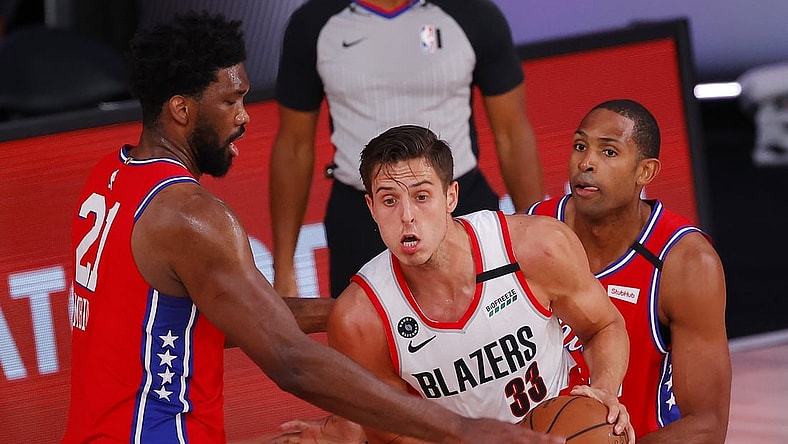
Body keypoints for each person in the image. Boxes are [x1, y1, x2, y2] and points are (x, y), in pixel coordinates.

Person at [62, 12, 563, 444]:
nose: (244, 117)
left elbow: (221, 316)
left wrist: (363, 310)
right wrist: (464, 430)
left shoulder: (111, 174)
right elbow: (290, 360)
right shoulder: (191, 217)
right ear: (181, 109)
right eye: (231, 101)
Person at [274, 125, 634, 444]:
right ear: (370, 208)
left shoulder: (535, 247)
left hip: (564, 428)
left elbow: (604, 326)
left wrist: (604, 391)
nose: (407, 216)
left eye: (422, 196)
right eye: (389, 200)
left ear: (451, 197)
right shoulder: (359, 318)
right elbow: (396, 433)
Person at [270, 0, 544, 299]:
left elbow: (513, 135)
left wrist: (534, 235)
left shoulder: (474, 14)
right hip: (363, 218)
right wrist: (284, 267)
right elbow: (294, 147)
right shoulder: (314, 22)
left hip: (460, 206)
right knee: (362, 339)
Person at [527, 99, 731, 442]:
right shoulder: (532, 232)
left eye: (608, 152)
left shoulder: (686, 263)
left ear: (645, 172)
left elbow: (708, 424)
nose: (586, 162)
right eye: (580, 146)